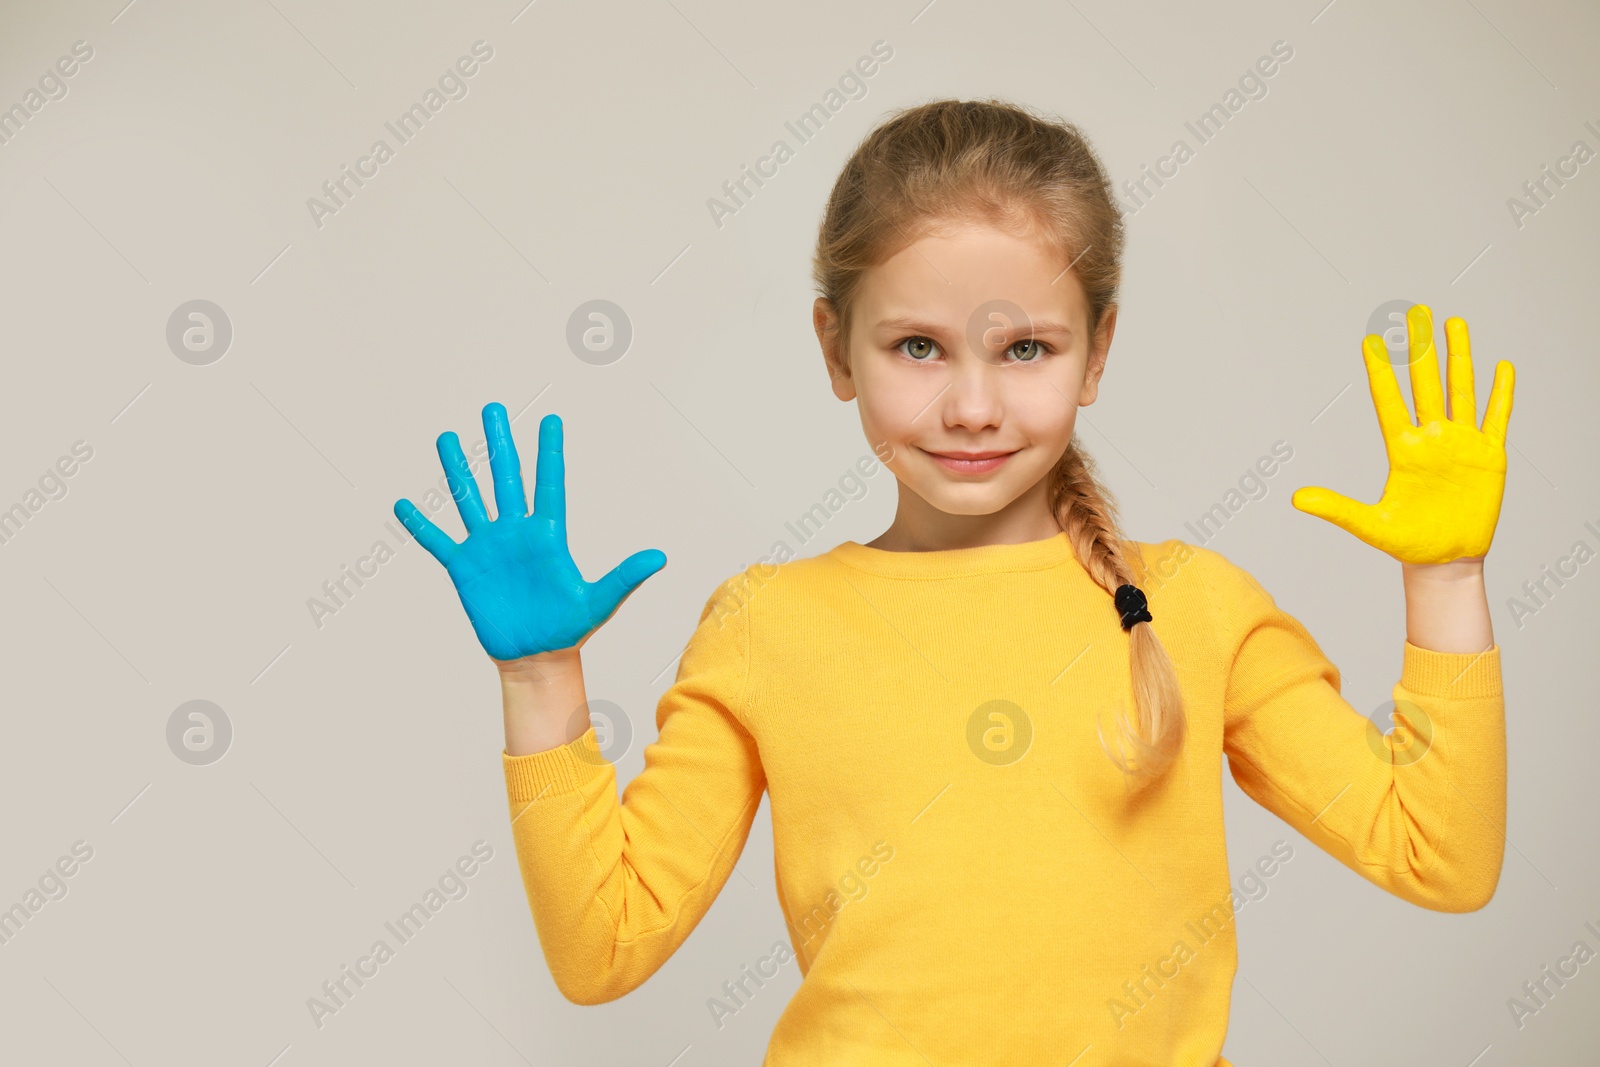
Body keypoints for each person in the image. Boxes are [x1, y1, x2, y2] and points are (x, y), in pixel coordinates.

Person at [393, 98, 1515, 1065]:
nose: (972, 404)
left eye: (1024, 347)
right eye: (916, 346)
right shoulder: (766, 625)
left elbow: (1441, 856)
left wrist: (1449, 578)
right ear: (836, 350)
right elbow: (603, 947)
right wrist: (541, 677)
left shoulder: (1197, 605)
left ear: (1098, 347)